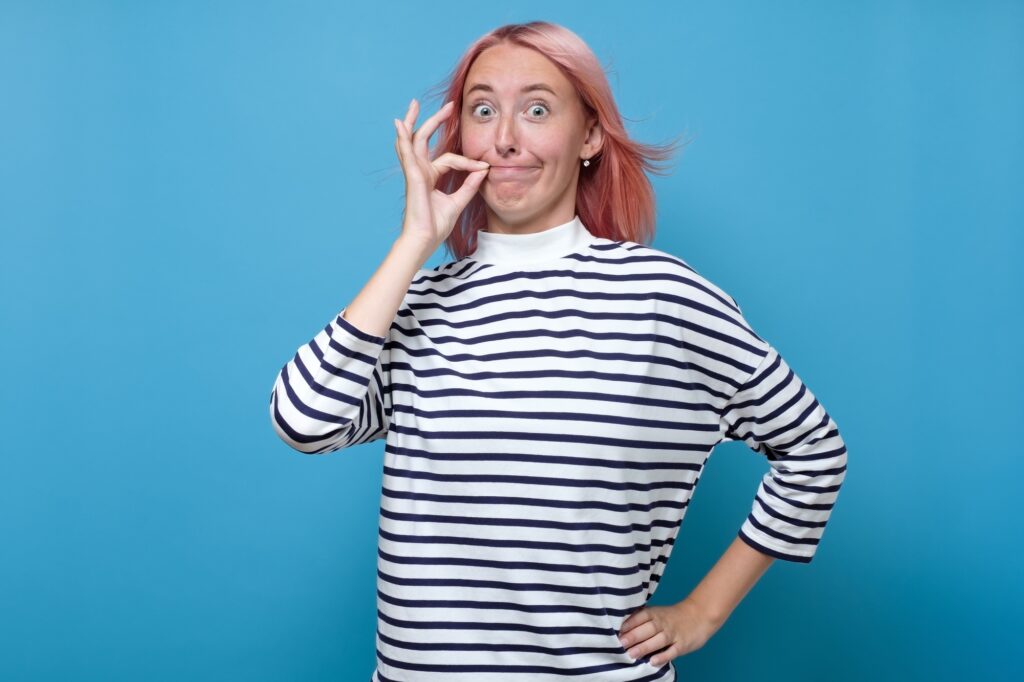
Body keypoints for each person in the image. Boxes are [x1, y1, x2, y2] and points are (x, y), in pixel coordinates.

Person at [269, 21, 847, 682]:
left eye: (537, 110)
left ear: (590, 136)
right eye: (483, 110)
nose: (505, 138)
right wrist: (412, 245)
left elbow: (814, 450)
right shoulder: (412, 304)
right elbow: (303, 422)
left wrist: (703, 613)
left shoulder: (661, 299)